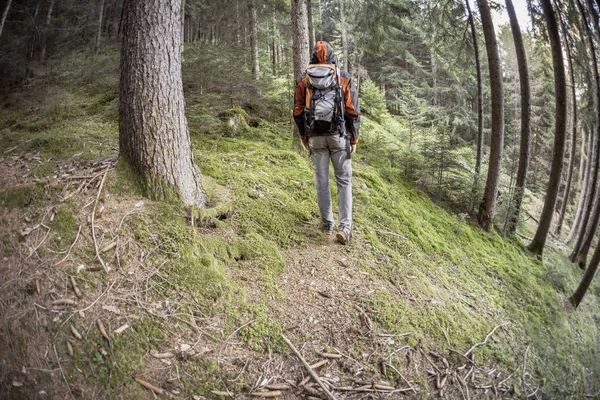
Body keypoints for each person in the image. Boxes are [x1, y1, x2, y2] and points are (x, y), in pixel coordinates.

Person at [293, 41, 360, 245]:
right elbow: (352, 111)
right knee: (344, 180)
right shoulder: (343, 77)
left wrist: (304, 137)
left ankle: (327, 224)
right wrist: (354, 138)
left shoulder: (303, 79)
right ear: (332, 57)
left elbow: (297, 112)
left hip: (315, 137)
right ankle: (345, 227)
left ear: (313, 57)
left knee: (321, 180)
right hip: (339, 136)